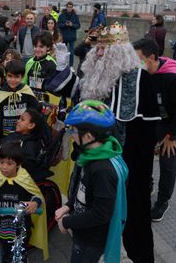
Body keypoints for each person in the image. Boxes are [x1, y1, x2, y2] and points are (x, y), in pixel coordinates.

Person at [77, 22, 161, 263]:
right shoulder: (95, 76)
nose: (98, 52)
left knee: (132, 217)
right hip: (94, 163)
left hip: (127, 166)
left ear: (118, 52)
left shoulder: (139, 79)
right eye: (97, 48)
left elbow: (145, 133)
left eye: (104, 48)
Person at [133, 38, 176, 222]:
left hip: (175, 125)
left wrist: (171, 137)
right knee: (142, 153)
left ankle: (163, 201)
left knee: (167, 162)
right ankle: (148, 185)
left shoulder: (172, 77)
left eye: (139, 59)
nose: (135, 64)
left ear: (152, 58)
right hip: (156, 121)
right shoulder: (143, 73)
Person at [55, 100, 128, 263]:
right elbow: (84, 189)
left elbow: (101, 213)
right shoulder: (93, 155)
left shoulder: (102, 170)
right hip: (84, 232)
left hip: (92, 240)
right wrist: (69, 205)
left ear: (88, 136)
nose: (71, 134)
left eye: (73, 130)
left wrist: (67, 222)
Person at [0, 141, 49, 262]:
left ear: (18, 164)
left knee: (19, 254)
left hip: (20, 228)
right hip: (3, 228)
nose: (4, 167)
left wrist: (35, 203)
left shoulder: (24, 179)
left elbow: (35, 195)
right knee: (6, 252)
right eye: (1, 162)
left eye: (9, 163)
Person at [0, 60, 40, 150]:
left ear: (22, 77)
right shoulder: (1, 93)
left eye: (17, 77)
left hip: (24, 136)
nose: (13, 80)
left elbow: (35, 111)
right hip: (5, 137)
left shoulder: (26, 91)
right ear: (6, 75)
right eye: (10, 76)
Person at [1, 108, 51, 181]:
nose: (18, 121)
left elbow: (29, 164)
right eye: (19, 119)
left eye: (22, 120)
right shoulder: (15, 135)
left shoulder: (31, 143)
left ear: (31, 125)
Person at [23, 31, 57, 102]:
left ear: (48, 47)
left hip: (45, 102)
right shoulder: (30, 62)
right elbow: (25, 82)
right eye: (35, 46)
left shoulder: (51, 64)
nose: (37, 49)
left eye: (41, 47)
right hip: (30, 100)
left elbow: (54, 87)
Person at [58, 1, 81, 67]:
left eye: (70, 7)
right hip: (64, 36)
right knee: (63, 53)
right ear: (66, 7)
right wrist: (65, 24)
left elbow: (78, 26)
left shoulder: (75, 16)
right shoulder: (62, 15)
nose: (69, 8)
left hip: (72, 37)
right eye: (68, 7)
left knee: (71, 52)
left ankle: (71, 66)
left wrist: (72, 25)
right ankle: (63, 65)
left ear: (72, 8)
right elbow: (58, 25)